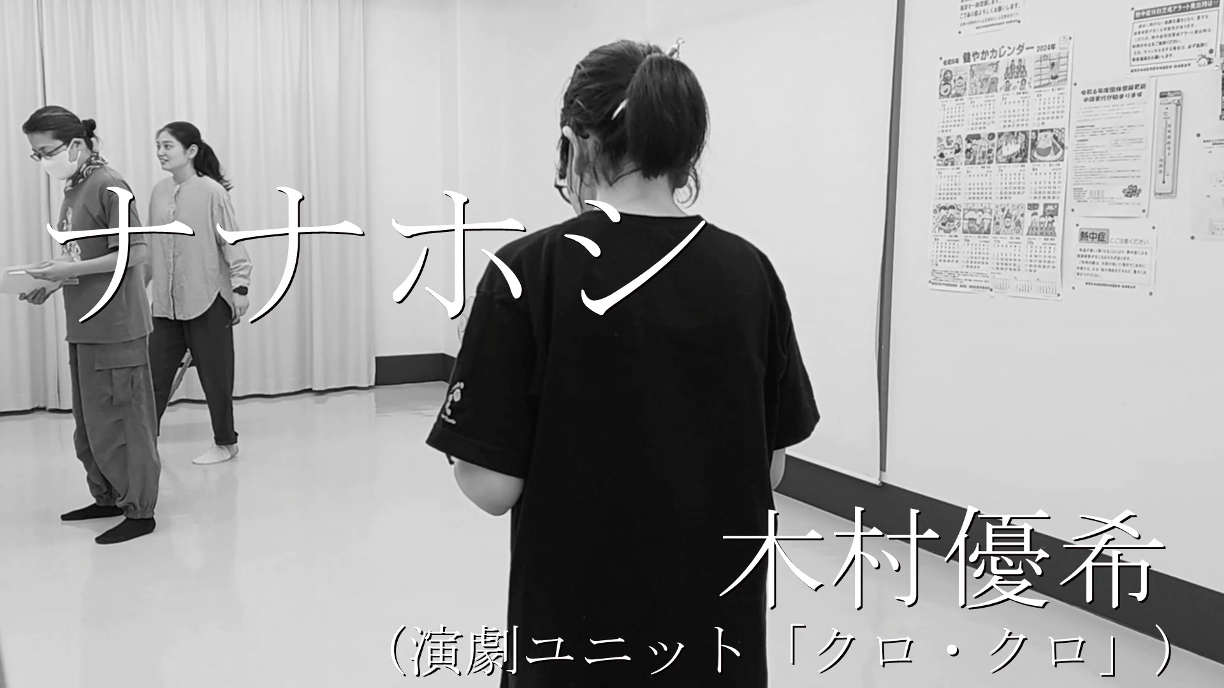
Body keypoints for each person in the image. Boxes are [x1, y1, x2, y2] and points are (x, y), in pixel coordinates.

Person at [425, 39, 819, 687]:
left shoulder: (526, 272)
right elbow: (770, 468)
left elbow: (491, 488)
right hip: (714, 648)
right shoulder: (750, 273)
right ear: (684, 150)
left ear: (574, 144)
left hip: (576, 647)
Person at [20, 107, 160, 545]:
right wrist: (52, 282)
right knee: (91, 423)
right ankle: (108, 496)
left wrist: (66, 271)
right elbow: (83, 257)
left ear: (76, 145)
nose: (43, 160)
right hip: (85, 324)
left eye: (47, 151)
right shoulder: (75, 189)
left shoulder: (108, 184)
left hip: (117, 326)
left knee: (124, 423)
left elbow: (135, 252)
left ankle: (140, 510)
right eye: (36, 154)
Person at [146, 122, 252, 465]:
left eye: (168, 146)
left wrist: (240, 288)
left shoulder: (212, 192)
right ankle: (143, 444)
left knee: (216, 378)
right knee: (153, 377)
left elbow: (232, 242)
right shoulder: (159, 192)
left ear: (190, 151)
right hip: (166, 305)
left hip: (208, 299)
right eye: (158, 146)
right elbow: (151, 247)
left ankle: (226, 443)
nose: (161, 152)